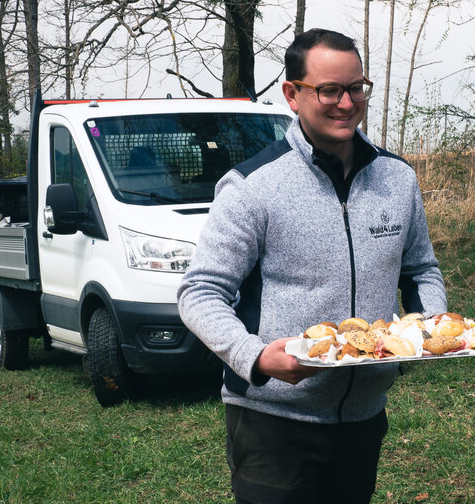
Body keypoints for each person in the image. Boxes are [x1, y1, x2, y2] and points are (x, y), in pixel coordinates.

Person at [177, 28, 447, 504]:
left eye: (356, 87)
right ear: (292, 94)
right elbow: (200, 292)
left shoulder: (397, 179)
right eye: (329, 90)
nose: (347, 103)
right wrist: (255, 358)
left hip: (364, 415)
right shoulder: (252, 187)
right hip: (273, 420)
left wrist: (424, 332)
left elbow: (421, 270)